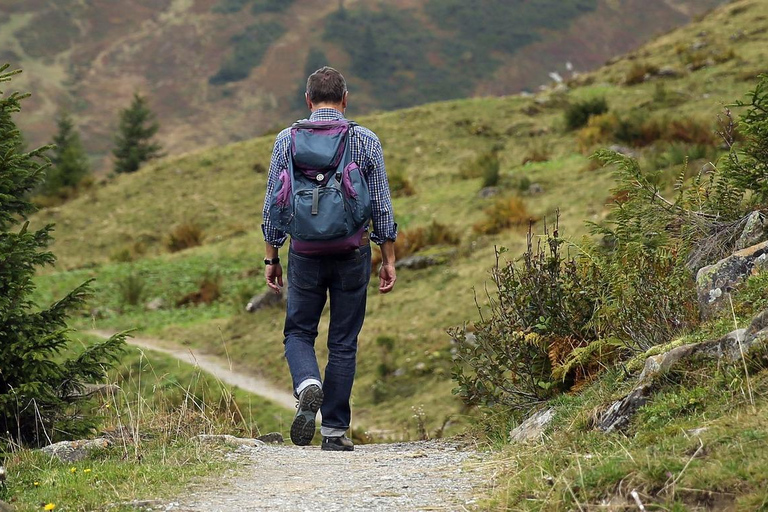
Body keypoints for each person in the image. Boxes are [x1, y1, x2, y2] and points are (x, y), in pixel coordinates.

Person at [261, 67, 398, 451]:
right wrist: (388, 257)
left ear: (308, 100)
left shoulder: (286, 140)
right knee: (343, 341)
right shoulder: (365, 140)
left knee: (299, 331)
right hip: (352, 251)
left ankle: (308, 383)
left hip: (304, 252)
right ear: (345, 98)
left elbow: (274, 202)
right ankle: (334, 432)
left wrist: (271, 256)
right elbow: (382, 206)